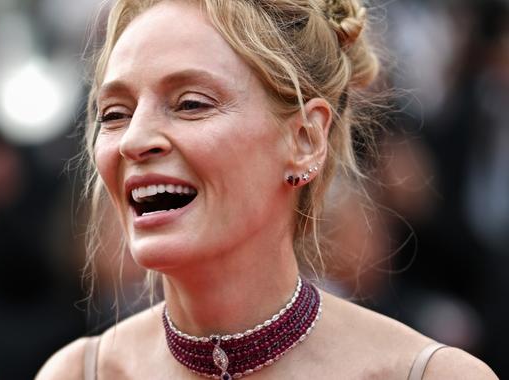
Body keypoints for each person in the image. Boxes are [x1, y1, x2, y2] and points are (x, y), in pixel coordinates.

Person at [37, 0, 498, 378]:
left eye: (191, 103)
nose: (135, 140)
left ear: (304, 139)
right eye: (114, 113)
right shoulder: (78, 373)